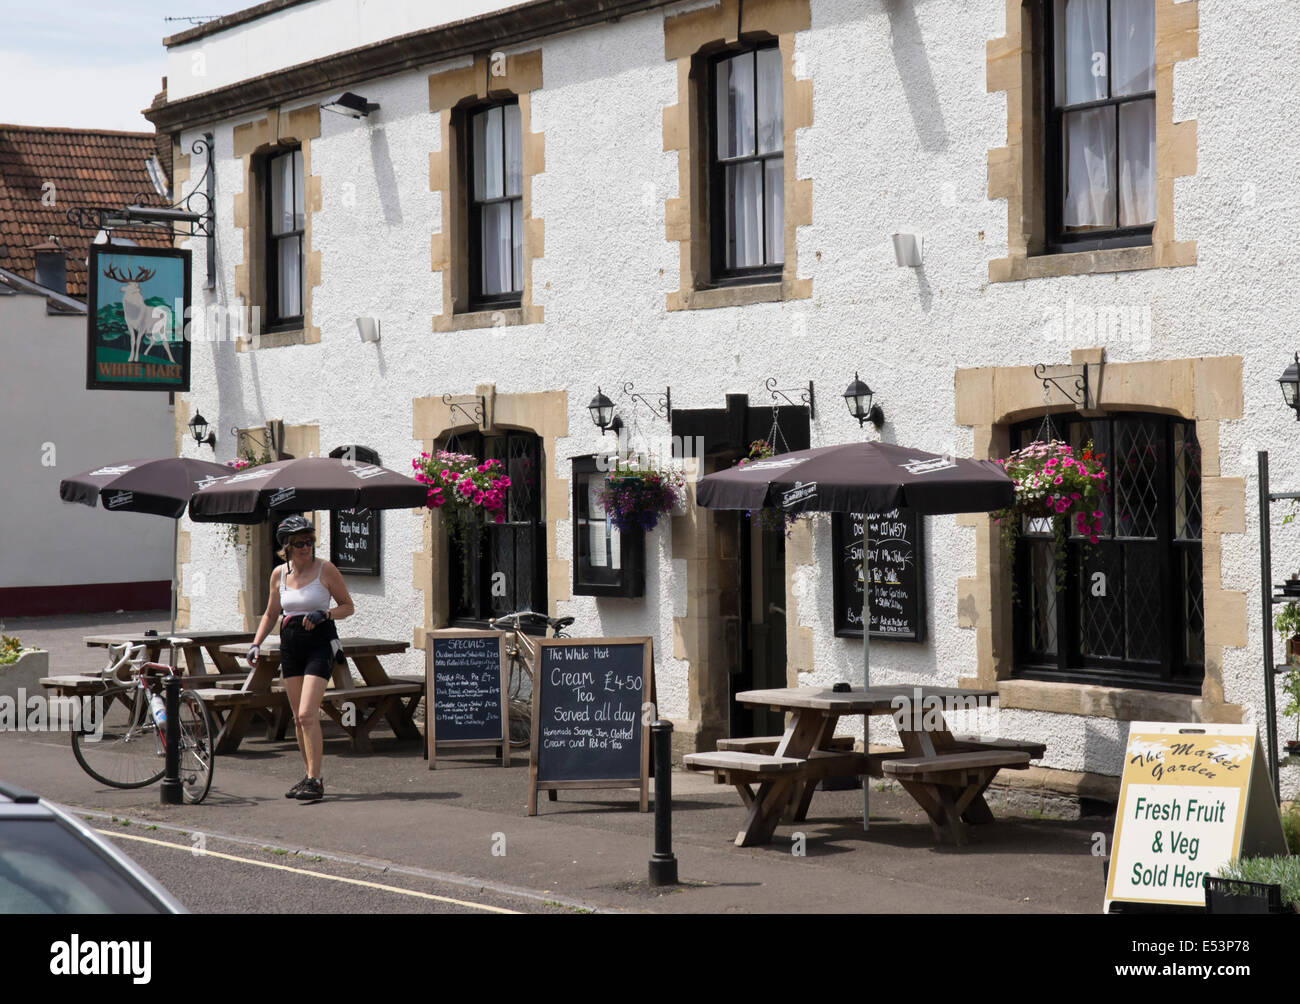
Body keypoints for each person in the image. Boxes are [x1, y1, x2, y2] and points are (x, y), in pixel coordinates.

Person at [246, 515, 354, 801]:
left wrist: (324, 613)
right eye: (300, 544)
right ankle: (308, 775)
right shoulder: (279, 574)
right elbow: (271, 613)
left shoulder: (325, 570)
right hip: (290, 643)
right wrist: (256, 644)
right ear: (287, 547)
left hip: (319, 642)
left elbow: (347, 606)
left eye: (309, 542)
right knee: (297, 717)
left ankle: (316, 780)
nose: (306, 548)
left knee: (308, 713)